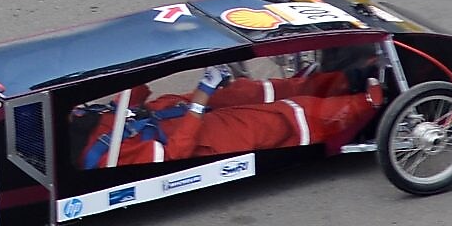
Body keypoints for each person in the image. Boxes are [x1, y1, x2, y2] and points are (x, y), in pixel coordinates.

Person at [79, 65, 384, 168]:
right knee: (287, 120)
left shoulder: (82, 120)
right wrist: (201, 96)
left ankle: (344, 80)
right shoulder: (103, 157)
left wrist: (143, 66)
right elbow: (175, 155)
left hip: (173, 111)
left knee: (258, 90)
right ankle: (371, 103)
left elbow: (129, 103)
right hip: (203, 138)